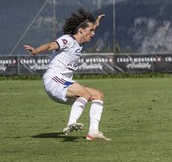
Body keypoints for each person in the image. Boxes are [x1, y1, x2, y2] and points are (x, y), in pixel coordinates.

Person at [24, 8, 111, 141]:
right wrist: (36, 50)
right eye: (91, 31)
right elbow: (50, 45)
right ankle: (71, 123)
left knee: (98, 95)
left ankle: (93, 132)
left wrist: (96, 23)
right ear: (81, 31)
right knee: (86, 94)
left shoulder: (79, 41)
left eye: (93, 30)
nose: (93, 34)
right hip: (53, 79)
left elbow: (88, 27)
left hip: (62, 84)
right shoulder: (67, 40)